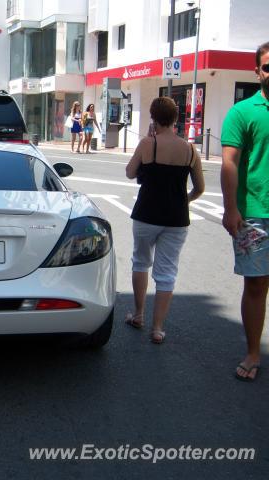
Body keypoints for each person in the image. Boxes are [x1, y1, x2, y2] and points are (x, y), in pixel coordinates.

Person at [125, 96, 205, 344]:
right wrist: (184, 201)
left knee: (140, 262)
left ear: (153, 117)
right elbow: (199, 188)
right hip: (176, 219)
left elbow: (129, 173)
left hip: (146, 214)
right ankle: (158, 328)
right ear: (176, 118)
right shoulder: (191, 149)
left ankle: (138, 314)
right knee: (167, 272)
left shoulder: (148, 144)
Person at [220, 41, 269, 382]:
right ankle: (253, 351)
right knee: (256, 285)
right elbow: (229, 163)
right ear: (257, 71)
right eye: (268, 66)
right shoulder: (242, 112)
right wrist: (230, 208)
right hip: (255, 213)